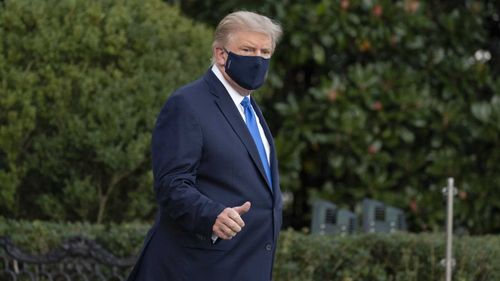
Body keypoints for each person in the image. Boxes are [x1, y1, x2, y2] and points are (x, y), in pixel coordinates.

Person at [126, 11, 283, 281]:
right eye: (247, 50)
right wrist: (212, 215)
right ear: (221, 55)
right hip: (195, 269)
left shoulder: (250, 109)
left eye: (265, 52)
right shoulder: (187, 104)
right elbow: (171, 184)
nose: (258, 60)